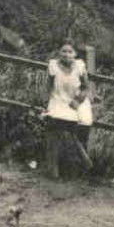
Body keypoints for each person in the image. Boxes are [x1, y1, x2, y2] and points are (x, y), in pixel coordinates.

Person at [44, 43, 93, 180]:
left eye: (70, 51)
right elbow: (48, 87)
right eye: (63, 51)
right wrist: (45, 104)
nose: (66, 54)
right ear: (59, 53)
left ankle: (75, 167)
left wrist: (77, 101)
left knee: (70, 128)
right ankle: (53, 170)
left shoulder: (79, 66)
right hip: (58, 100)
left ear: (75, 54)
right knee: (54, 127)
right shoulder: (53, 66)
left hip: (73, 102)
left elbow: (85, 88)